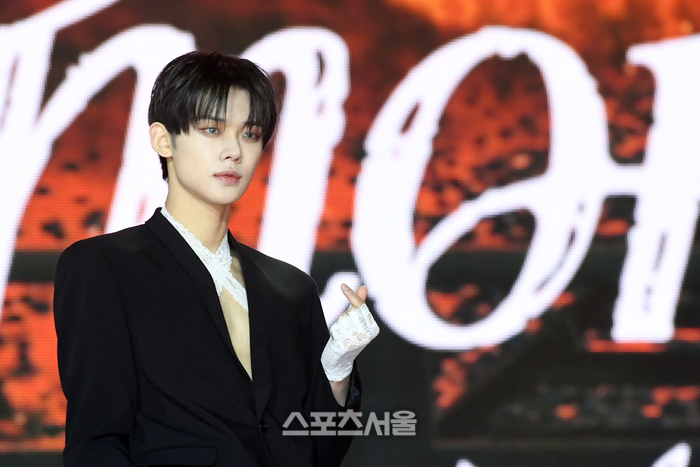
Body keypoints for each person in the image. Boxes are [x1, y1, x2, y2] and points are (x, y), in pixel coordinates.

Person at [53, 49, 379, 467]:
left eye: (250, 134)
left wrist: (337, 368)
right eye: (212, 129)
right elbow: (96, 441)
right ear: (163, 139)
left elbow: (317, 449)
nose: (234, 151)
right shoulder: (105, 268)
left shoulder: (291, 289)